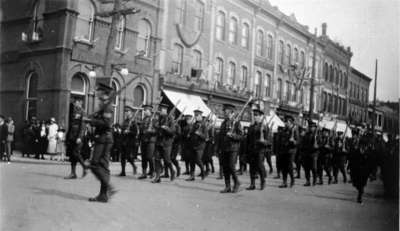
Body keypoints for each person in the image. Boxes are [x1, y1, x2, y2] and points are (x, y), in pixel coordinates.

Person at [83, 83, 117, 202]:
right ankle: (103, 195)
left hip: (104, 138)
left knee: (94, 164)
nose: (97, 93)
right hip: (103, 138)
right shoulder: (103, 105)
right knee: (103, 166)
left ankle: (109, 188)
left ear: (104, 93)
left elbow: (106, 124)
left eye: (99, 91)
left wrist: (91, 120)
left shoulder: (107, 106)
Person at [217, 104, 243, 193]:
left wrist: (232, 135)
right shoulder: (223, 123)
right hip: (224, 148)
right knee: (225, 168)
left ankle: (237, 182)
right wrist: (218, 148)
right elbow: (220, 136)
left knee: (231, 166)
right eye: (224, 111)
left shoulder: (237, 123)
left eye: (226, 111)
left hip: (233, 148)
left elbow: (241, 136)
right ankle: (227, 186)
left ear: (231, 112)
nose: (225, 113)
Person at [152, 104, 176, 183]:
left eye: (163, 109)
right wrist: (156, 127)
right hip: (159, 142)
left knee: (167, 160)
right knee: (157, 159)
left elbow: (172, 132)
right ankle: (157, 177)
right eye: (161, 109)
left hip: (166, 143)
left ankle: (172, 171)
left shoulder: (170, 119)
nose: (161, 110)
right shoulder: (159, 119)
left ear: (166, 111)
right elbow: (156, 130)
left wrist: (166, 128)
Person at [65, 98, 88, 179]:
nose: (75, 104)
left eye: (77, 102)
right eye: (75, 103)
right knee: (72, 154)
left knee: (76, 153)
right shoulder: (74, 112)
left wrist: (79, 137)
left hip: (78, 136)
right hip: (72, 135)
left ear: (81, 103)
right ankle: (73, 173)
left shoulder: (83, 112)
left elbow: (83, 126)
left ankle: (85, 166)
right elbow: (71, 125)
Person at [349, 131, 374, 203]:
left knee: (362, 184)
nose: (363, 147)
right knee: (356, 184)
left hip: (364, 171)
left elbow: (371, 163)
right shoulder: (356, 151)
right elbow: (352, 159)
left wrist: (371, 172)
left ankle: (359, 197)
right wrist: (349, 167)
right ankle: (360, 191)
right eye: (362, 146)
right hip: (356, 170)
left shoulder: (368, 153)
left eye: (364, 146)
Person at [246, 108, 267, 190]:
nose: (255, 117)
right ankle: (252, 184)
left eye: (257, 115)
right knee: (251, 167)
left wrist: (263, 141)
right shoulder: (251, 127)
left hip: (260, 150)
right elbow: (248, 139)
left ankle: (263, 181)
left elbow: (268, 141)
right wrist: (246, 151)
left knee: (259, 166)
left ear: (261, 116)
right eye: (254, 115)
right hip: (252, 149)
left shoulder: (264, 127)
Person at [186, 109, 207, 181]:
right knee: (191, 161)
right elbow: (192, 133)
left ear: (201, 116)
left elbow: (205, 137)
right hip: (193, 144)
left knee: (198, 160)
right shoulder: (194, 124)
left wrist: (200, 134)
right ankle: (192, 176)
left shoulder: (204, 125)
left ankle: (203, 172)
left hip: (200, 145)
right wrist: (189, 134)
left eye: (197, 115)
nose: (196, 117)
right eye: (195, 115)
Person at [119, 106, 139, 176]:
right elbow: (122, 129)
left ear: (131, 112)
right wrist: (122, 131)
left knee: (129, 157)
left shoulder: (133, 122)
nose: (126, 113)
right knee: (122, 157)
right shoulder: (125, 121)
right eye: (125, 112)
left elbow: (135, 132)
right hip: (123, 141)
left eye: (128, 111)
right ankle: (123, 171)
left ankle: (134, 166)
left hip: (130, 141)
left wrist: (129, 131)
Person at [279, 115, 298, 188]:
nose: (285, 123)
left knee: (289, 166)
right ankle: (284, 182)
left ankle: (292, 180)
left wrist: (294, 141)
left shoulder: (294, 130)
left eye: (287, 122)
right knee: (284, 167)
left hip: (291, 151)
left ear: (290, 122)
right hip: (284, 150)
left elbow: (298, 141)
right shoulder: (284, 130)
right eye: (285, 122)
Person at [138, 104, 156, 179]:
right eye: (144, 110)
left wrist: (151, 130)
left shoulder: (154, 119)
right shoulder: (143, 119)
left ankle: (152, 171)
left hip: (150, 141)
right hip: (143, 140)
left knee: (149, 157)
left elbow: (156, 130)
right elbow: (141, 130)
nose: (144, 111)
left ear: (150, 111)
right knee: (144, 158)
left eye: (146, 110)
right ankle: (144, 173)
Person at [301, 121, 318, 186]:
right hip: (306, 153)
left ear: (315, 128)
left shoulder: (317, 135)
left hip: (314, 154)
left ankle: (314, 180)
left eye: (312, 127)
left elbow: (319, 144)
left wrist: (317, 146)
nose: (311, 128)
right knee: (306, 168)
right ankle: (308, 181)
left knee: (314, 168)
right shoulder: (306, 134)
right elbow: (303, 143)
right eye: (310, 127)